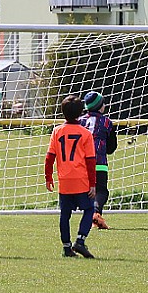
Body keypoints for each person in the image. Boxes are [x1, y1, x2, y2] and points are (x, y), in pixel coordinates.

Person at [45, 95, 97, 258]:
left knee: (65, 214)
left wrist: (48, 177)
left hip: (65, 180)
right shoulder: (85, 134)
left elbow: (49, 157)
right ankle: (80, 241)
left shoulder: (57, 131)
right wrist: (93, 184)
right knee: (89, 209)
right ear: (81, 112)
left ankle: (67, 247)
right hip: (81, 179)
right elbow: (90, 161)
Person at [80, 91, 117, 230]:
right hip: (100, 163)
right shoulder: (107, 122)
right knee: (101, 191)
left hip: (82, 164)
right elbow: (112, 147)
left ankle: (93, 216)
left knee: (86, 190)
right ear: (100, 107)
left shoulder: (80, 121)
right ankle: (96, 213)